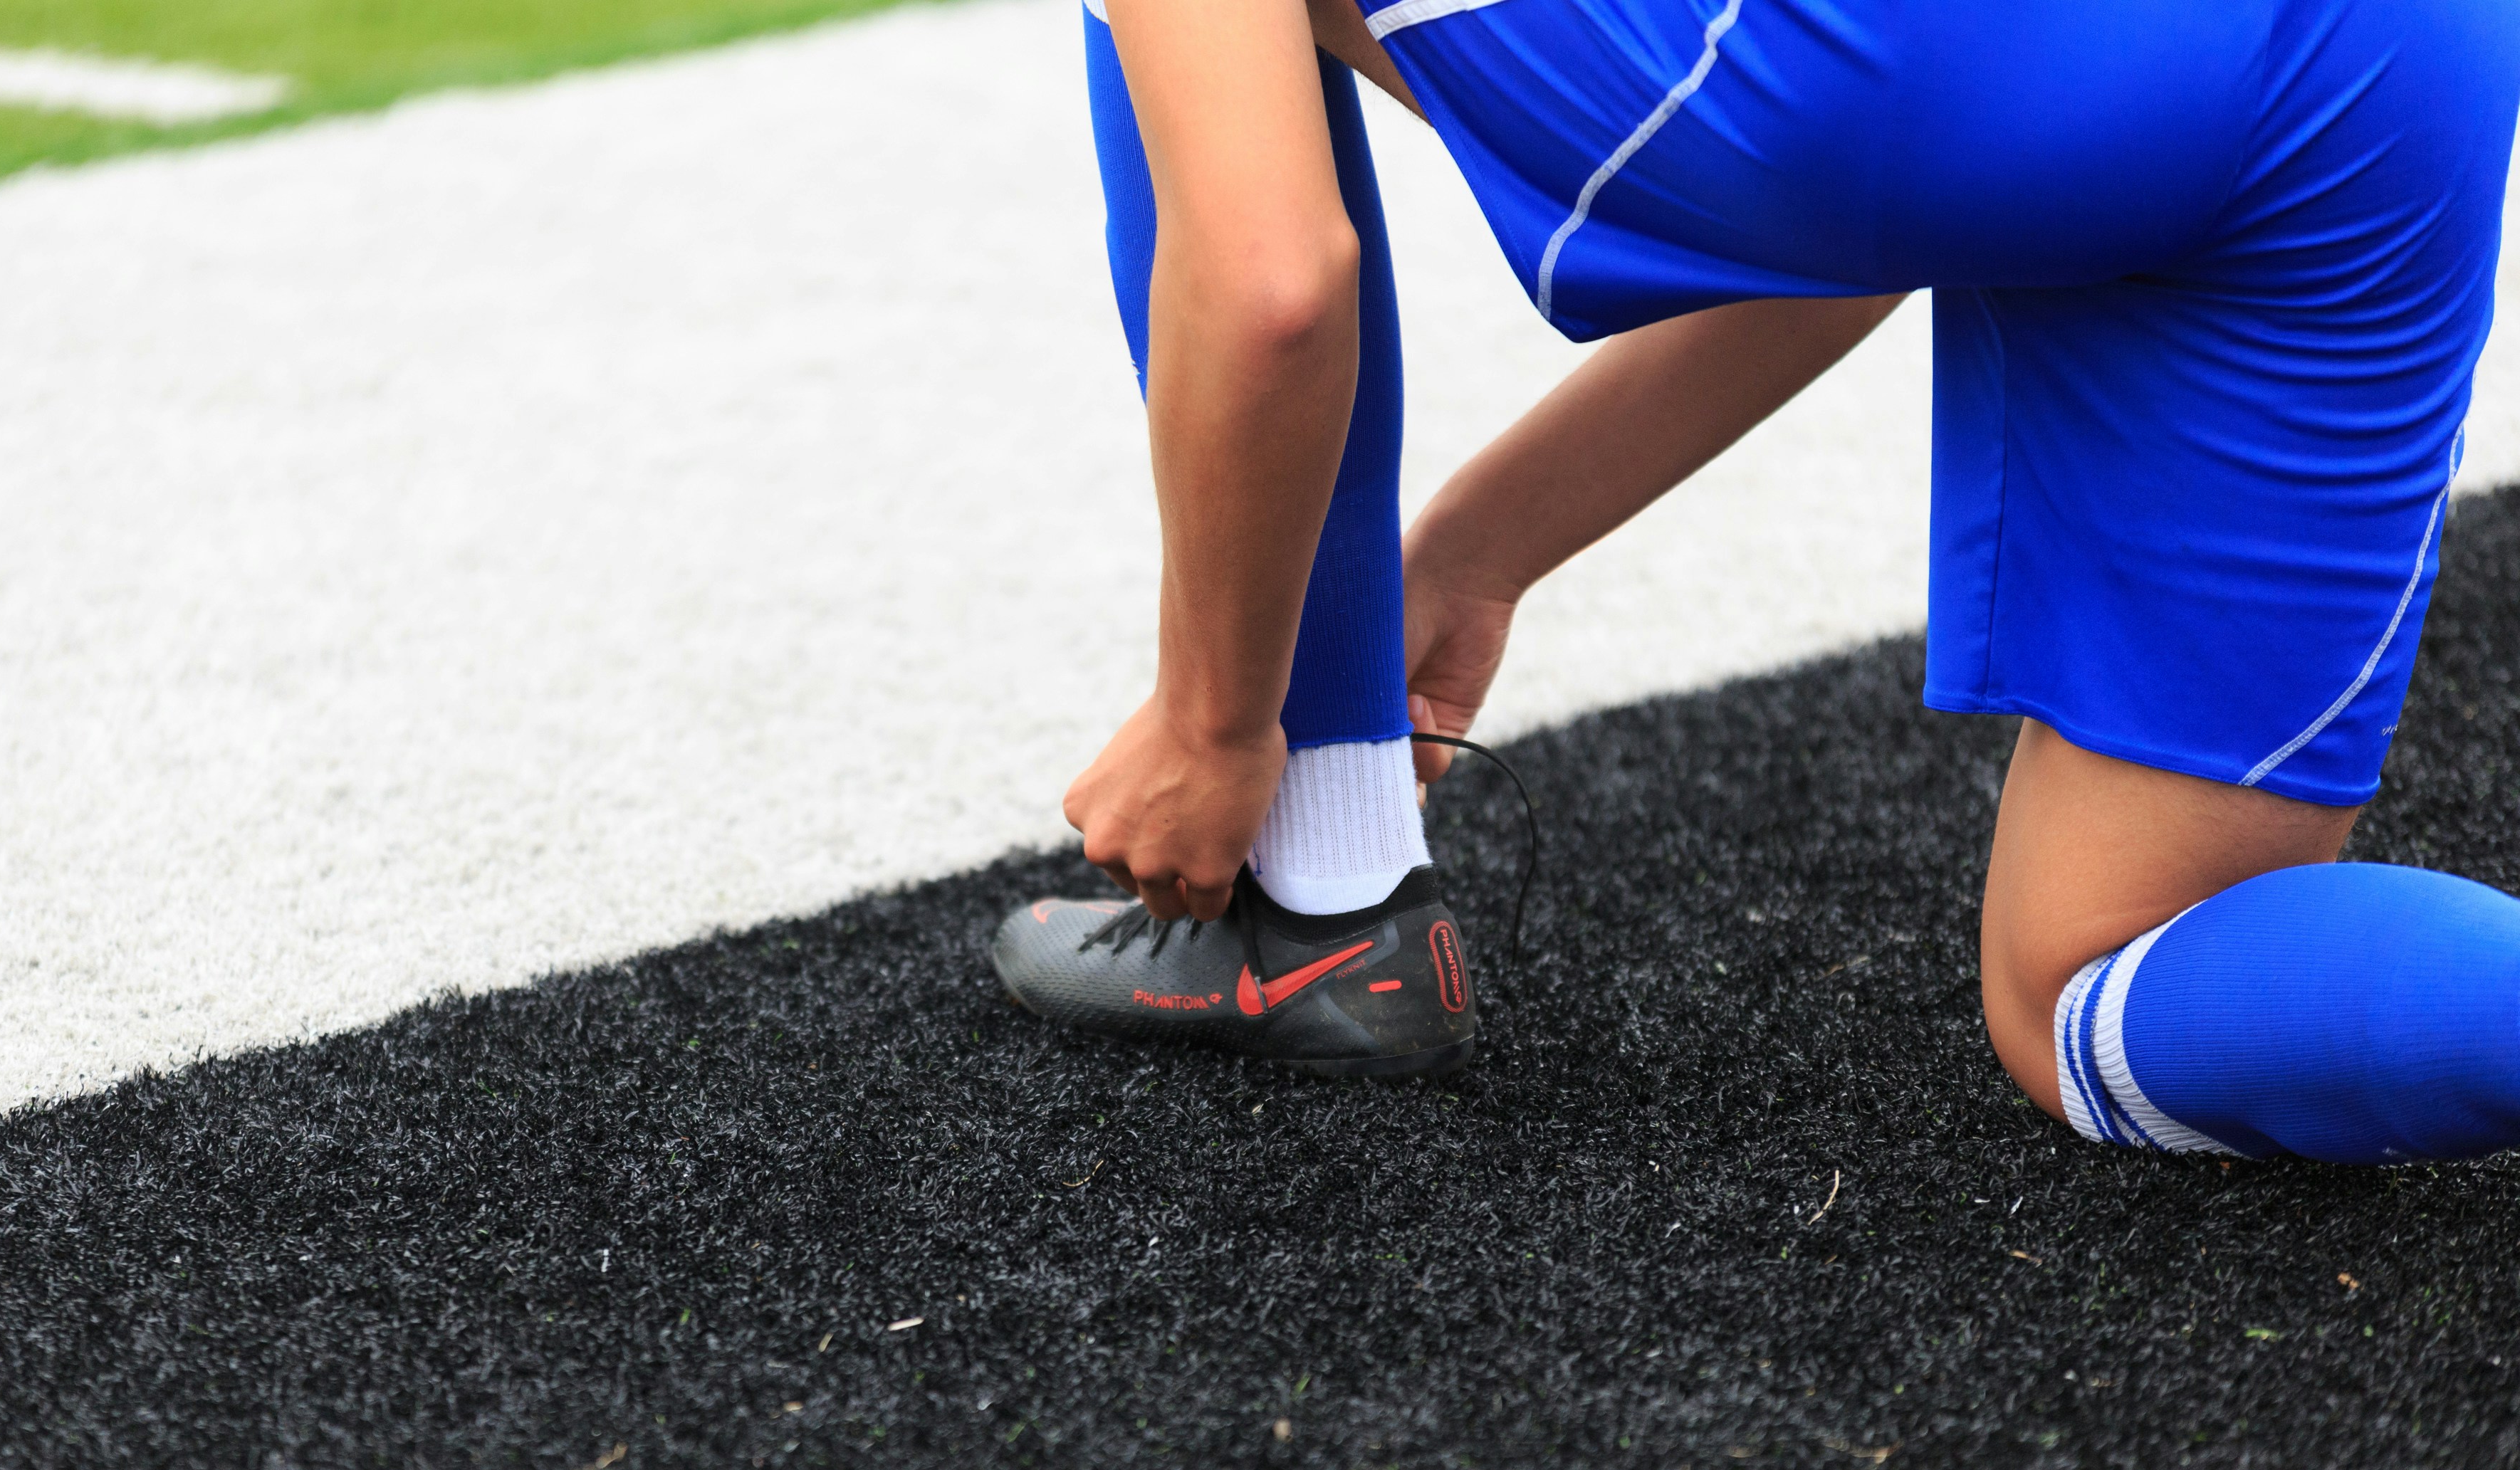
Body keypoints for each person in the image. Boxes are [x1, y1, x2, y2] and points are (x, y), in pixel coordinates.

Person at [990, 0, 2520, 1160]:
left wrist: (1215, 721)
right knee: (2105, 983)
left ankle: (1321, 892)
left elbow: (1266, 283)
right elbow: (1907, 164)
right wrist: (1475, 550)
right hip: (2389, 66)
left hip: (1915, 74)